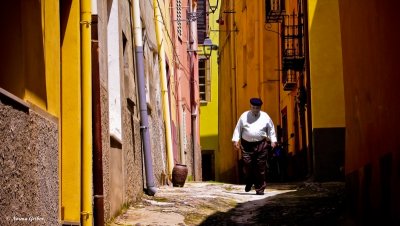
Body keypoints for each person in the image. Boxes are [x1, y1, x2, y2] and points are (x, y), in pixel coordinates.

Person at [232, 97, 277, 195]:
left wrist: (273, 141)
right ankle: (249, 180)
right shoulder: (244, 116)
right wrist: (236, 140)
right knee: (248, 165)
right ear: (250, 106)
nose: (255, 109)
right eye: (253, 107)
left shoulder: (265, 116)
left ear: (260, 107)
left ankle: (260, 188)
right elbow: (238, 129)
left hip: (261, 144)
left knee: (260, 167)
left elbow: (271, 129)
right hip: (246, 145)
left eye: (257, 108)